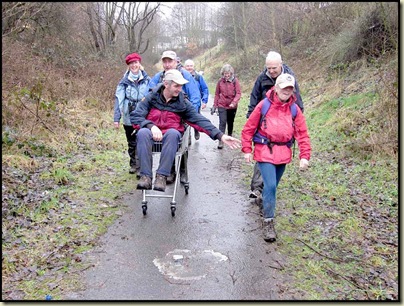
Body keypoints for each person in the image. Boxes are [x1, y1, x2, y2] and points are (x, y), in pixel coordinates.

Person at [131, 69, 241, 192]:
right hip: (151, 134)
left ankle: (161, 176)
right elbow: (136, 116)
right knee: (142, 132)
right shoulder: (152, 98)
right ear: (166, 84)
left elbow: (199, 120)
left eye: (181, 86)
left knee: (173, 133)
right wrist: (151, 126)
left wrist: (220, 135)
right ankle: (146, 177)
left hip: (170, 138)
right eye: (176, 86)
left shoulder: (182, 103)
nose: (179, 89)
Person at [241, 73, 311, 243]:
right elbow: (249, 128)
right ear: (276, 88)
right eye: (284, 88)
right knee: (271, 186)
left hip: (283, 153)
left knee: (271, 187)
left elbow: (302, 134)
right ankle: (268, 223)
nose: (287, 92)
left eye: (290, 89)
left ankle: (263, 202)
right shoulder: (264, 105)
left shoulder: (294, 109)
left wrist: (305, 156)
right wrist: (247, 149)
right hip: (264, 150)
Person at [247, 51, 304, 200]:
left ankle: (268, 190)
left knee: (277, 164)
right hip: (263, 123)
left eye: (274, 68)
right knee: (262, 158)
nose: (271, 71)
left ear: (281, 65)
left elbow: (297, 102)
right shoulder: (261, 78)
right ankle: (258, 189)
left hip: (283, 126)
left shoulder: (290, 78)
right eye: (269, 68)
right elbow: (254, 98)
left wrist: (294, 122)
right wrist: (251, 119)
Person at [148, 50, 201, 183]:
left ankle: (183, 171)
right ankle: (170, 171)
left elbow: (195, 96)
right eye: (164, 62)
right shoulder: (158, 77)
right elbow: (148, 94)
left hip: (181, 118)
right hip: (163, 120)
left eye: (169, 61)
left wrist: (188, 116)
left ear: (176, 61)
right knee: (166, 143)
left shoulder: (185, 76)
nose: (167, 65)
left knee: (182, 146)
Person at [113, 52, 150, 176]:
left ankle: (140, 167)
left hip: (143, 114)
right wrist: (116, 118)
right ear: (128, 65)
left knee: (141, 139)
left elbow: (152, 96)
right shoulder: (124, 81)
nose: (134, 65)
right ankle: (133, 163)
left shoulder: (147, 79)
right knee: (131, 142)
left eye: (136, 63)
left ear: (139, 64)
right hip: (128, 114)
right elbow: (119, 99)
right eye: (131, 63)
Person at [213, 64, 241, 149]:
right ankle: (220, 140)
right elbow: (217, 94)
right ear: (223, 73)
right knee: (222, 122)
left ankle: (229, 136)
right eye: (225, 73)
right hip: (222, 104)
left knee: (230, 122)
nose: (227, 75)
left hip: (232, 105)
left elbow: (238, 93)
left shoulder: (235, 81)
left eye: (228, 73)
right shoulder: (220, 81)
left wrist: (234, 102)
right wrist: (215, 105)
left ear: (231, 73)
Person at [184, 58, 209, 140]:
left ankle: (196, 130)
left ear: (193, 67)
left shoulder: (198, 77)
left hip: (195, 102)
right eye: (187, 66)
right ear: (184, 67)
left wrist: (204, 101)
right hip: (184, 101)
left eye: (191, 66)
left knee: (194, 117)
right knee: (184, 120)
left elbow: (205, 89)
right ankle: (188, 136)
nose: (189, 67)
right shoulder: (181, 76)